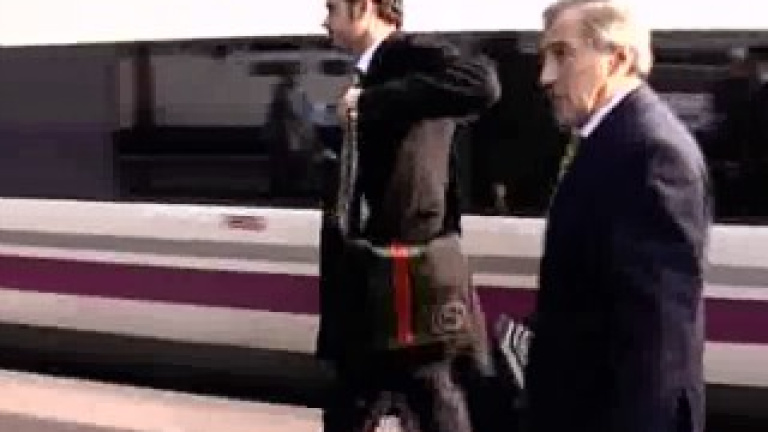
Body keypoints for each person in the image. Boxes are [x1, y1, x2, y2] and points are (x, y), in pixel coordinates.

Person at [524, 1, 712, 432]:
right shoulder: (611, 138)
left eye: (562, 54)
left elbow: (656, 335)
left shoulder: (651, 153)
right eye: (545, 58)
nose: (546, 77)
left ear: (618, 59)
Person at [317, 0, 501, 431]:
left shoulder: (410, 54)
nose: (325, 21)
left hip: (406, 280)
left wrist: (372, 101)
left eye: (332, 8)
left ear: (363, 8)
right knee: (365, 401)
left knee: (430, 394)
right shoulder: (372, 71)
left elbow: (483, 84)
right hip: (368, 281)